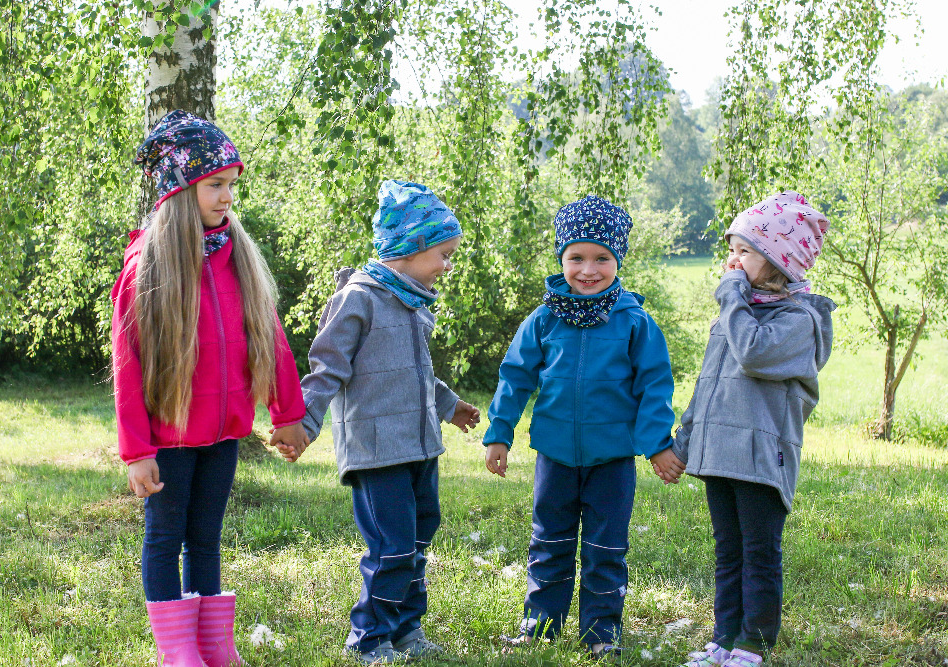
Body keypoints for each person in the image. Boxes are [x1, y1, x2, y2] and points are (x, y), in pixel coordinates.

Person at [111, 110, 308, 667]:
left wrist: (286, 413)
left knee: (206, 538)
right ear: (179, 189)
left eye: (230, 185)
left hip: (223, 434)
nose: (226, 197)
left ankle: (213, 644)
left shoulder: (235, 257)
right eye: (214, 185)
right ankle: (177, 651)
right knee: (164, 537)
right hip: (169, 440)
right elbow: (128, 368)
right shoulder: (146, 269)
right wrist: (137, 453)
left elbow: (271, 341)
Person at [482, 195, 683, 661]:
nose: (588, 269)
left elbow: (655, 385)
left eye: (601, 258)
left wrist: (656, 443)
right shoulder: (544, 319)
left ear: (618, 261)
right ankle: (540, 628)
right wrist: (499, 432)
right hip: (555, 454)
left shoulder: (635, 322)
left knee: (605, 548)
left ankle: (601, 634)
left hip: (612, 458)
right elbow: (515, 377)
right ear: (561, 259)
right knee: (549, 542)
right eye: (576, 257)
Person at [299, 179, 480, 665]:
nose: (447, 265)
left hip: (421, 446)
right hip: (377, 451)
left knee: (419, 538)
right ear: (411, 246)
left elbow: (417, 374)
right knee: (392, 545)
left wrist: (450, 406)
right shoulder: (358, 299)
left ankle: (405, 629)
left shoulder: (414, 302)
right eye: (443, 254)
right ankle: (369, 638)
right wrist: (304, 421)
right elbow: (327, 368)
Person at [664, 192, 835, 667]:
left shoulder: (798, 320)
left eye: (744, 252)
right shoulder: (734, 313)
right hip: (720, 450)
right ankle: (723, 639)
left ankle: (752, 644)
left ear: (780, 260)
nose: (732, 262)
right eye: (732, 250)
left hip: (761, 458)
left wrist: (729, 294)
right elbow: (709, 383)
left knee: (760, 552)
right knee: (729, 550)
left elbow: (754, 353)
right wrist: (686, 437)